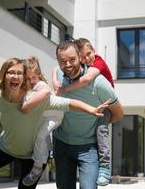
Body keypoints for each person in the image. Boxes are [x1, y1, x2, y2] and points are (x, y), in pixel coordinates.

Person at [0, 57, 109, 189]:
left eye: (19, 73)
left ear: (24, 78)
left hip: (32, 156)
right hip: (6, 147)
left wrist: (91, 109)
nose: (15, 76)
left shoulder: (37, 99)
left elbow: (69, 103)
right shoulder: (0, 95)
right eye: (11, 72)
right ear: (4, 76)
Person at [53, 40, 124, 189]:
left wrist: (99, 124)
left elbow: (118, 113)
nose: (68, 65)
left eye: (72, 60)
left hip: (88, 148)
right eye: (63, 61)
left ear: (80, 56)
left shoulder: (99, 83)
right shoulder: (59, 76)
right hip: (61, 144)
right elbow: (55, 72)